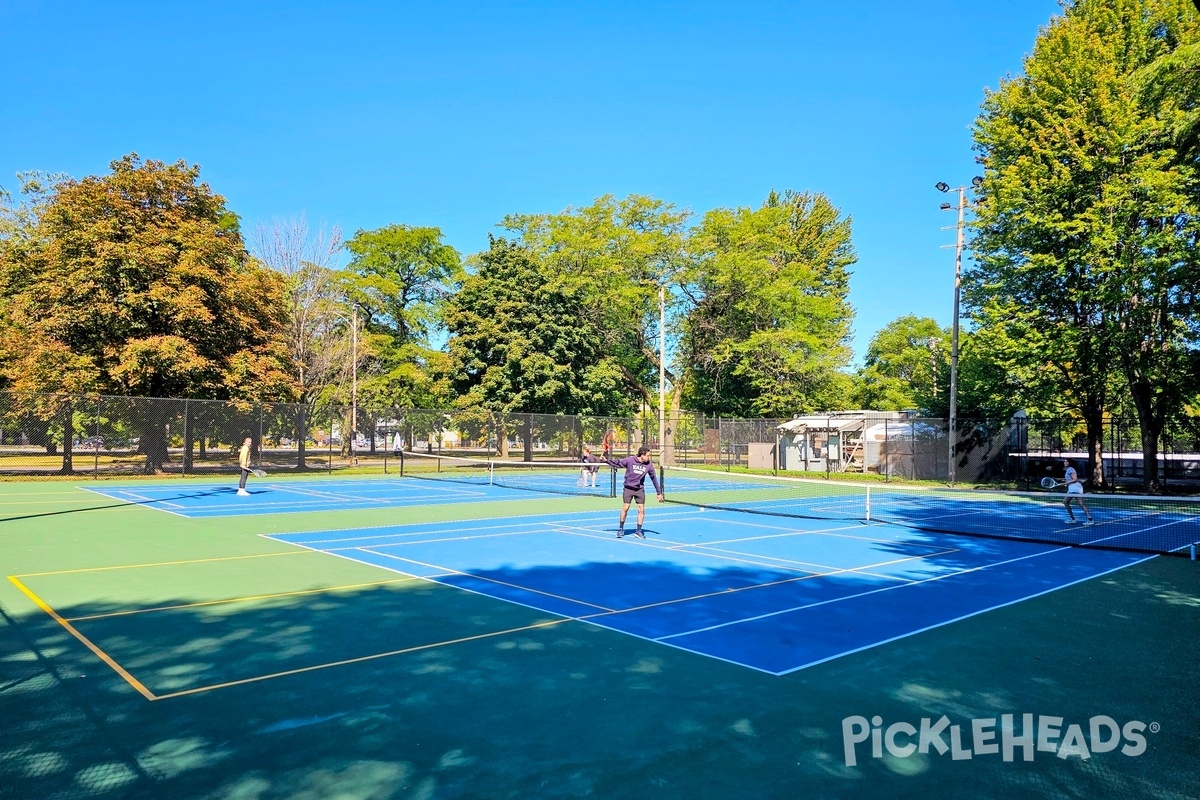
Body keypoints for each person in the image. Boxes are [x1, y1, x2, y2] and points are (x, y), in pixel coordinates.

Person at [602, 446, 663, 539]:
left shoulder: (649, 465)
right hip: (628, 488)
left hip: (639, 489)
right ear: (642, 455)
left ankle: (638, 531)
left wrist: (659, 493)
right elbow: (618, 463)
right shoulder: (630, 460)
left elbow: (654, 478)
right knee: (625, 508)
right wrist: (606, 460)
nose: (649, 457)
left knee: (641, 510)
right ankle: (621, 529)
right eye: (648, 455)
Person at [1062, 459, 1093, 524]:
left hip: (1075, 488)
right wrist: (1066, 483)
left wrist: (1065, 483)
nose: (1065, 462)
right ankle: (1090, 519)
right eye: (1064, 461)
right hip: (1074, 487)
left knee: (1065, 501)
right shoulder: (1068, 470)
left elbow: (1075, 479)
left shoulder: (1070, 469)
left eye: (1067, 461)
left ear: (1069, 463)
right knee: (1080, 504)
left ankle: (1072, 518)